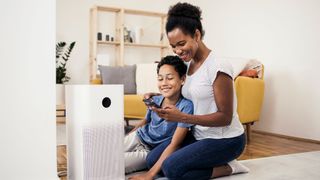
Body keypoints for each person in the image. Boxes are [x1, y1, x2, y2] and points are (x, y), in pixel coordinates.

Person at [144, 2, 249, 180]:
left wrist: (183, 118)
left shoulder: (218, 67)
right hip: (198, 134)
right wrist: (157, 96)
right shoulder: (187, 64)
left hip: (226, 139)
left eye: (181, 43)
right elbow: (185, 92)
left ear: (197, 34)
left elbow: (225, 117)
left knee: (171, 168)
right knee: (152, 159)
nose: (178, 51)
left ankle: (229, 168)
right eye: (173, 46)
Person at [124, 55, 194, 178]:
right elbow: (145, 121)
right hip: (138, 136)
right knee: (106, 151)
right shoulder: (155, 99)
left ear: (182, 79)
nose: (164, 83)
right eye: (160, 79)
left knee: (112, 162)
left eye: (170, 78)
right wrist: (128, 137)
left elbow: (175, 143)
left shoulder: (186, 106)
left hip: (148, 151)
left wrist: (150, 175)